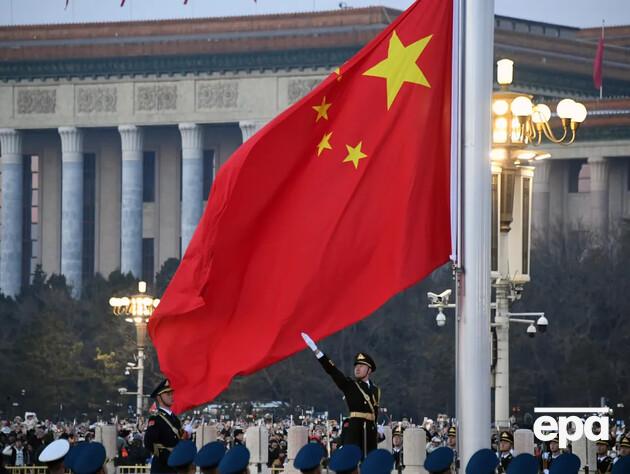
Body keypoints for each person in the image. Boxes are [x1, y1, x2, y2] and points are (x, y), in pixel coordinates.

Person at [302, 332, 381, 458]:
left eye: (361, 366)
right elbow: (333, 371)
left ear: (369, 370)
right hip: (355, 430)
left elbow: (374, 412)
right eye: (356, 366)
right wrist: (317, 351)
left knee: (371, 462)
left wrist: (378, 429)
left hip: (370, 433)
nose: (357, 369)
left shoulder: (376, 390)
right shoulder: (350, 385)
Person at [145, 379, 183, 474]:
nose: (171, 396)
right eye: (168, 394)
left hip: (175, 466)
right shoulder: (156, 418)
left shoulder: (175, 418)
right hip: (162, 467)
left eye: (172, 393)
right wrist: (168, 455)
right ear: (159, 398)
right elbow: (149, 442)